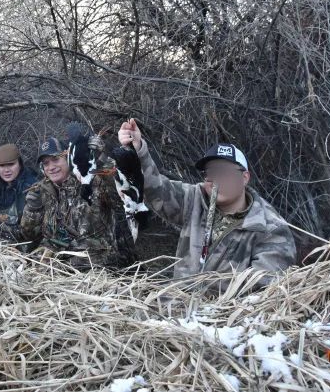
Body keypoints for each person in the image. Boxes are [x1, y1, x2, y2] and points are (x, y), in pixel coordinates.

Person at [118, 118, 296, 288]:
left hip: (227, 316)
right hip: (175, 310)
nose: (216, 179)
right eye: (211, 172)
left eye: (224, 172)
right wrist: (137, 151)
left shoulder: (270, 228)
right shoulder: (196, 198)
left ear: (244, 178)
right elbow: (156, 189)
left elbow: (262, 289)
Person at [19, 136, 129, 269]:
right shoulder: (41, 190)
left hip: (96, 259)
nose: (51, 167)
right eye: (46, 163)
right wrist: (33, 209)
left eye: (55, 159)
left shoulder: (90, 179)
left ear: (68, 157)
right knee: (30, 265)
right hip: (58, 257)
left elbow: (120, 191)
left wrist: (103, 156)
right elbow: (29, 235)